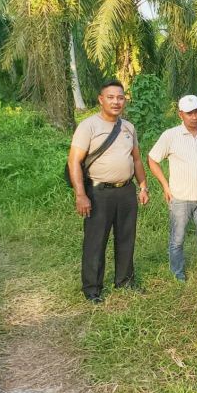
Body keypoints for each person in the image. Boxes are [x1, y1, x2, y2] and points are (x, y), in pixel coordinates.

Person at [68, 80, 149, 304]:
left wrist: (143, 185)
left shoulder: (128, 127)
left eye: (120, 98)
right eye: (111, 97)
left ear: (125, 100)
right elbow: (74, 161)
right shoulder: (88, 126)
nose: (116, 102)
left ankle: (125, 280)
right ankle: (92, 289)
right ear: (101, 100)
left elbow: (136, 159)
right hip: (98, 193)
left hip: (125, 191)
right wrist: (81, 194)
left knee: (126, 237)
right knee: (96, 241)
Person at [148, 95, 197, 280]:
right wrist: (165, 186)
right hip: (179, 198)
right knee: (177, 239)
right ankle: (178, 274)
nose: (194, 116)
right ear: (180, 114)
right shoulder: (170, 135)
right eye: (189, 113)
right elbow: (152, 159)